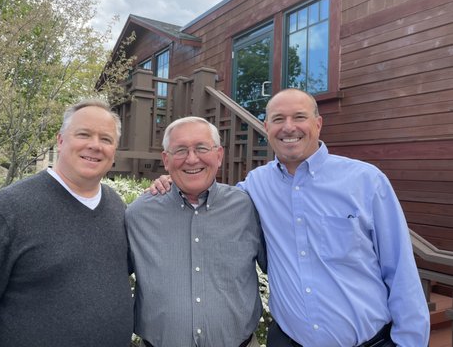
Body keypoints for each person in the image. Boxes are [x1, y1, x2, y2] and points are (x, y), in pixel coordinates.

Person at [151, 89, 430, 347]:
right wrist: (172, 181)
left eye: (299, 117)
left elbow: (401, 270)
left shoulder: (366, 181)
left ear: (318, 124)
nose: (288, 127)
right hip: (288, 341)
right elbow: (209, 196)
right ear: (267, 128)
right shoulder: (255, 186)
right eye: (278, 119)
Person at [0, 99, 134, 347]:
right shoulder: (8, 210)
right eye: (84, 134)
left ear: (114, 150)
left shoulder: (116, 206)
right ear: (61, 140)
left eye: (106, 139)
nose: (95, 145)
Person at [126, 116, 266, 347]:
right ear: (166, 160)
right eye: (180, 150)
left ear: (219, 155)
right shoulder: (139, 214)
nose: (192, 159)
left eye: (202, 148)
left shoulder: (247, 207)